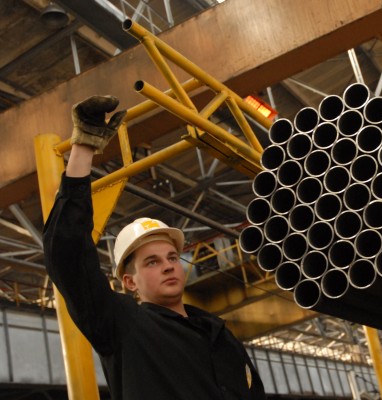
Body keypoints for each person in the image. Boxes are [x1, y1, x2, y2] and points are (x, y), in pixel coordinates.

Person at [43, 95, 266, 400]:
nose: (168, 265)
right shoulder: (123, 326)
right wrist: (83, 148)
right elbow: (67, 256)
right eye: (152, 262)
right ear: (129, 282)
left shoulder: (218, 333)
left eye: (172, 257)